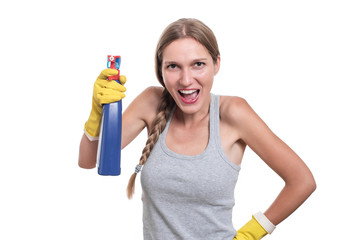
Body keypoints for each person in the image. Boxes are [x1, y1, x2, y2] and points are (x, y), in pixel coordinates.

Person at [78, 18, 316, 240]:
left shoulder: (233, 113)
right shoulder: (151, 103)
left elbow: (302, 181)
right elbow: (89, 161)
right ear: (160, 70)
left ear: (216, 64)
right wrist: (98, 115)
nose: (186, 80)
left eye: (198, 64)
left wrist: (250, 234)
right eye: (173, 66)